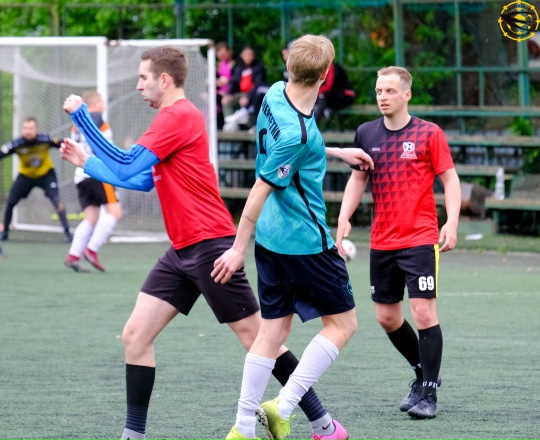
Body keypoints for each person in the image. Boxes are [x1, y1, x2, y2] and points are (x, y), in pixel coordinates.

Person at [60, 45, 370, 440]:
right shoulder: (172, 119)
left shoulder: (178, 116)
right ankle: (132, 436)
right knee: (136, 336)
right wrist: (87, 162)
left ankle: (321, 424)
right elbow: (139, 179)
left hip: (210, 246)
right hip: (182, 250)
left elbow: (126, 164)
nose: (138, 85)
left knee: (259, 339)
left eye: (142, 78)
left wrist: (83, 118)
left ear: (164, 79)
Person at [211, 35, 374, 440]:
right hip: (305, 242)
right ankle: (282, 407)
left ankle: (242, 429)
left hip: (270, 239)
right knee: (344, 325)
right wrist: (236, 248)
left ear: (288, 66)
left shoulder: (275, 94)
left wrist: (334, 151)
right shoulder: (298, 134)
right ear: (325, 75)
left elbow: (296, 145)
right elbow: (262, 185)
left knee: (272, 333)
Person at [335, 66, 461, 419]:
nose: (383, 97)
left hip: (420, 238)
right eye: (379, 91)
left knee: (423, 312)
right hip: (382, 240)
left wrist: (451, 222)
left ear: (407, 94)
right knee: (387, 318)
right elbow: (357, 181)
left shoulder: (428, 133)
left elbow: (450, 179)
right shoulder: (366, 133)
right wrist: (343, 218)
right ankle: (422, 374)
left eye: (390, 91)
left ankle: (430, 395)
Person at [64, 91, 122, 273]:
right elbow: (94, 129)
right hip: (97, 172)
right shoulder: (94, 116)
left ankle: (74, 255)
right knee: (114, 212)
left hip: (80, 175)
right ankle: (91, 249)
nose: (103, 106)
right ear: (95, 103)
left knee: (91, 217)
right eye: (102, 102)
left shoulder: (76, 125)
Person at [0, 117, 72, 242]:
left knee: (57, 201)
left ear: (36, 129)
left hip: (46, 175)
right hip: (25, 176)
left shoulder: (45, 140)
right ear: (22, 130)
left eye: (31, 128)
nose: (28, 131)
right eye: (26, 128)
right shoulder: (17, 144)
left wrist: (70, 146)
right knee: (10, 202)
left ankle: (67, 233)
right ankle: (4, 232)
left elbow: (61, 144)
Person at [222, 46, 269, 131]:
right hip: (240, 94)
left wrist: (248, 96)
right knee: (226, 100)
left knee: (253, 100)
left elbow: (258, 84)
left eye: (251, 55)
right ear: (242, 55)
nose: (249, 57)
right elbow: (234, 81)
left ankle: (250, 123)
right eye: (246, 55)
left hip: (252, 94)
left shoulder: (258, 67)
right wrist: (228, 93)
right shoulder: (239, 66)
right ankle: (230, 122)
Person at [216, 42, 235, 130]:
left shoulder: (234, 63)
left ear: (229, 52)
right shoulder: (219, 64)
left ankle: (222, 125)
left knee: (218, 99)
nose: (222, 56)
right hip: (220, 91)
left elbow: (235, 80)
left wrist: (227, 84)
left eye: (223, 53)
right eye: (219, 54)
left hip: (231, 91)